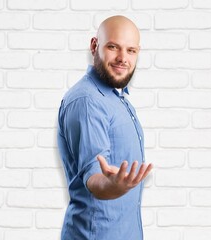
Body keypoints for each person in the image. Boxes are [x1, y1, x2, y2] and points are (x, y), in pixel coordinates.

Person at [57, 15, 153, 240]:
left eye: (131, 51)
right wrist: (111, 186)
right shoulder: (88, 102)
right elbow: (95, 177)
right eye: (113, 47)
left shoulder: (117, 100)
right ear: (94, 46)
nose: (123, 58)